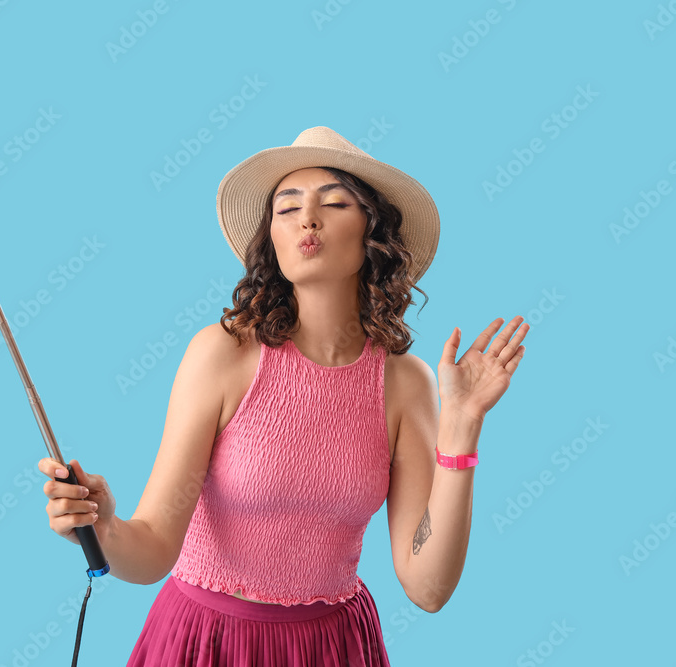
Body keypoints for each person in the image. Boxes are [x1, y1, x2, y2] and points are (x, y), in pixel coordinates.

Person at [39, 126, 528, 665]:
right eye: (286, 207)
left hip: (333, 649)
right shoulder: (222, 354)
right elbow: (153, 549)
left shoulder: (404, 384)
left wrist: (460, 429)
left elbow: (428, 588)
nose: (307, 219)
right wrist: (103, 526)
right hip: (204, 643)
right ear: (271, 235)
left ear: (373, 231)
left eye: (335, 202)